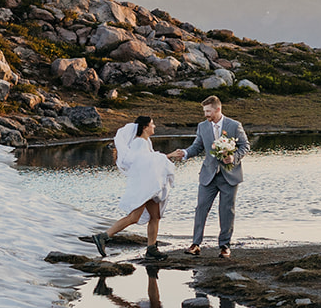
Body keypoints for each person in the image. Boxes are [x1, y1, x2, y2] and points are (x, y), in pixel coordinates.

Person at [167, 95, 249, 258]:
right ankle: (196, 244)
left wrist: (234, 157)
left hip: (230, 175)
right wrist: (184, 153)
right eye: (204, 111)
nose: (206, 114)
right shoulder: (202, 127)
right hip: (208, 175)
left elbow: (245, 145)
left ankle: (225, 246)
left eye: (208, 111)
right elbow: (197, 147)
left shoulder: (234, 125)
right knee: (201, 208)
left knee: (226, 211)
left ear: (218, 109)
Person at [93, 116, 175, 260]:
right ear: (144, 127)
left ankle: (151, 249)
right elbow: (144, 162)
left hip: (150, 185)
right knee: (134, 217)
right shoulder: (139, 143)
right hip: (143, 186)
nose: (154, 126)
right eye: (152, 124)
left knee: (155, 216)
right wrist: (169, 156)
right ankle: (103, 236)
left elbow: (151, 162)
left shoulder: (145, 142)